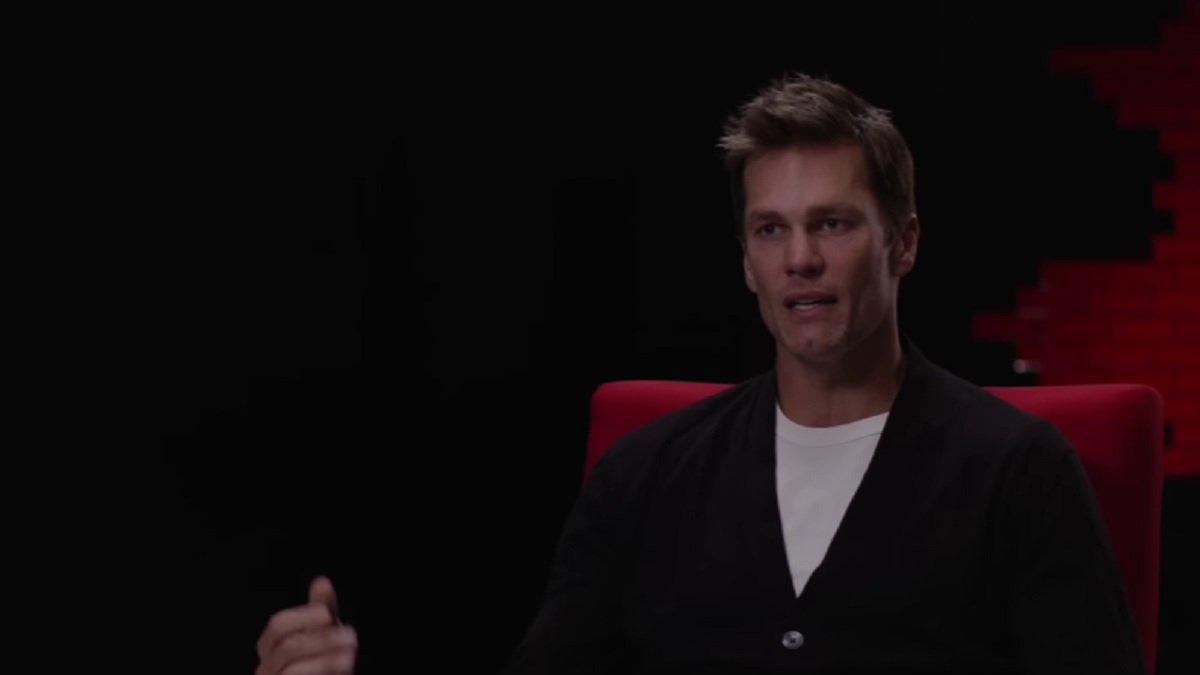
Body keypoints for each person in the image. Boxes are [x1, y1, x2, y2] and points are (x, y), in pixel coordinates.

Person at [255, 72, 1144, 674]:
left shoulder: (1018, 471)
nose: (800, 258)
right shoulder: (644, 474)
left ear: (903, 242)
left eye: (833, 224)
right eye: (771, 229)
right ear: (746, 261)